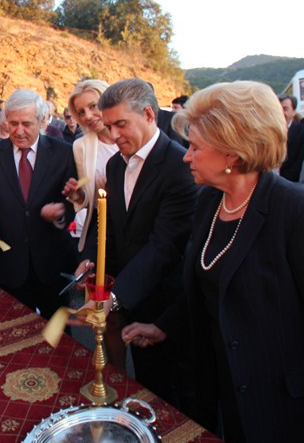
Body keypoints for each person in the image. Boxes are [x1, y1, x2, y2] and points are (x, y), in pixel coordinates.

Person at [173, 80, 304, 441]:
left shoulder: (303, 215)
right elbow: (210, 287)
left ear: (232, 153)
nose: (186, 156)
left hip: (288, 414)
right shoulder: (208, 202)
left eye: (195, 147)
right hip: (230, 400)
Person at [71, 78, 197, 409]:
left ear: (149, 114)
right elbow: (108, 225)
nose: (113, 136)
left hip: (169, 307)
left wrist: (113, 297)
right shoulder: (115, 164)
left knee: (178, 400)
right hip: (134, 300)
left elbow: (163, 246)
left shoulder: (179, 167)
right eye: (109, 126)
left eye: (121, 125)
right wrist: (92, 262)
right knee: (146, 387)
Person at [0, 89, 78, 318]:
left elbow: (73, 201)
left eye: (26, 124)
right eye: (13, 123)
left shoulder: (64, 153)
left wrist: (61, 212)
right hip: (7, 265)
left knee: (58, 338)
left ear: (42, 121)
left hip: (52, 264)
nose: (19, 131)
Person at [62, 79, 118, 259]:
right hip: (100, 228)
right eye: (81, 112)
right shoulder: (80, 146)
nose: (88, 116)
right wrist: (77, 195)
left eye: (93, 106)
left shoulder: (130, 139)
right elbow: (87, 198)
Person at [278, 94, 304, 182]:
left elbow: (302, 161)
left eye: (285, 109)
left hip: (294, 182)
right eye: (277, 109)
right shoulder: (264, 133)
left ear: (294, 111)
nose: (281, 112)